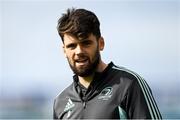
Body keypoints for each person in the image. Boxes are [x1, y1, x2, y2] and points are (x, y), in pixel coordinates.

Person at [53, 8, 162, 119]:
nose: (79, 51)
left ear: (101, 43)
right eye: (72, 46)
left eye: (86, 43)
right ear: (64, 50)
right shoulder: (60, 102)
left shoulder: (129, 85)